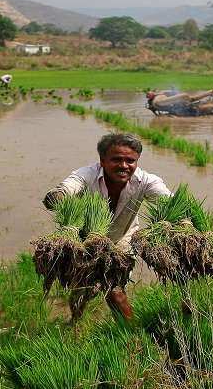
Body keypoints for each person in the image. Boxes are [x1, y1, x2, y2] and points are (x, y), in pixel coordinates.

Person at [43, 133, 171, 321]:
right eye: (116, 160)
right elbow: (68, 187)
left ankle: (130, 335)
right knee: (81, 288)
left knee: (115, 291)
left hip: (122, 239)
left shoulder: (147, 181)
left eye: (130, 160)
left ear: (137, 161)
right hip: (86, 240)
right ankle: (76, 321)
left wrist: (182, 220)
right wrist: (59, 197)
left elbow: (168, 201)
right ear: (102, 161)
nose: (124, 166)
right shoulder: (87, 175)